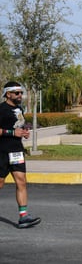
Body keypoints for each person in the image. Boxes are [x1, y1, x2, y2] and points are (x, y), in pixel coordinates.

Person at [0, 81, 41, 229]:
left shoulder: (19, 109)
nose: (20, 95)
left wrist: (23, 132)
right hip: (2, 152)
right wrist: (11, 133)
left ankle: (23, 217)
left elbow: (18, 126)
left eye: (21, 92)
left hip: (16, 151)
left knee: (21, 181)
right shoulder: (1, 109)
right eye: (16, 93)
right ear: (8, 94)